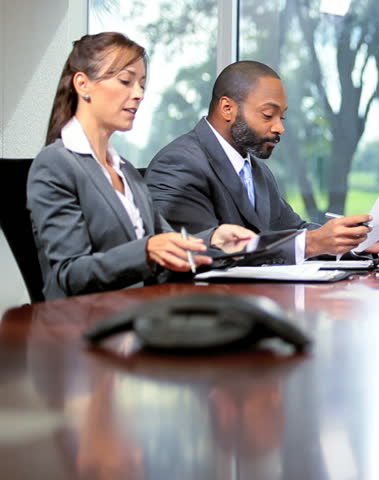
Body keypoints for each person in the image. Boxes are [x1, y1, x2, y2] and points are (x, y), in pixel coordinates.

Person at [27, 33, 255, 300]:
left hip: (136, 316)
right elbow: (69, 274)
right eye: (125, 81)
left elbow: (166, 243)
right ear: (83, 84)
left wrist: (214, 239)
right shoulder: (55, 164)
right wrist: (145, 251)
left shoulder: (126, 171)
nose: (138, 95)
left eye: (141, 85)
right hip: (82, 326)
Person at [145, 61, 379, 264]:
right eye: (268, 115)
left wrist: (357, 241)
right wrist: (312, 243)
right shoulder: (179, 164)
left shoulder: (255, 169)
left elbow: (293, 230)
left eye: (282, 117)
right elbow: (202, 252)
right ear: (227, 109)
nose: (279, 127)